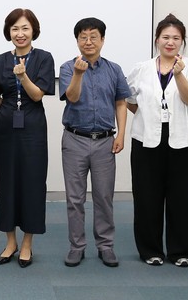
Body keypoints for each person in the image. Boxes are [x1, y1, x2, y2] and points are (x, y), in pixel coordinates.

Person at [125, 13, 188, 267]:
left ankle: (182, 251)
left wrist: (179, 75)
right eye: (165, 37)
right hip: (147, 140)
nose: (170, 42)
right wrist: (149, 117)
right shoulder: (141, 68)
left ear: (182, 42)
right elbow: (130, 101)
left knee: (184, 197)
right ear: (157, 40)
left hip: (186, 141)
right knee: (147, 197)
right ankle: (150, 250)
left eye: (176, 38)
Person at [60, 17, 129, 268]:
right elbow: (72, 96)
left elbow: (121, 102)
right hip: (74, 139)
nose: (88, 42)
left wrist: (121, 134)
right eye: (83, 37)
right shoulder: (68, 67)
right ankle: (77, 246)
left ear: (102, 40)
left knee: (103, 197)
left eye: (93, 37)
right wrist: (79, 74)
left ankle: (105, 246)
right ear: (77, 40)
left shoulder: (114, 69)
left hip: (104, 141)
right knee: (74, 198)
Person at [0, 9, 55, 268]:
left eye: (25, 28)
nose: (20, 33)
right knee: (6, 182)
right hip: (6, 129)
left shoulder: (44, 58)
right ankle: (10, 242)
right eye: (15, 28)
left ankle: (27, 243)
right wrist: (9, 108)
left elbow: (37, 95)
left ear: (33, 30)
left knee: (32, 182)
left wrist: (22, 76)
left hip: (33, 129)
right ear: (9, 32)